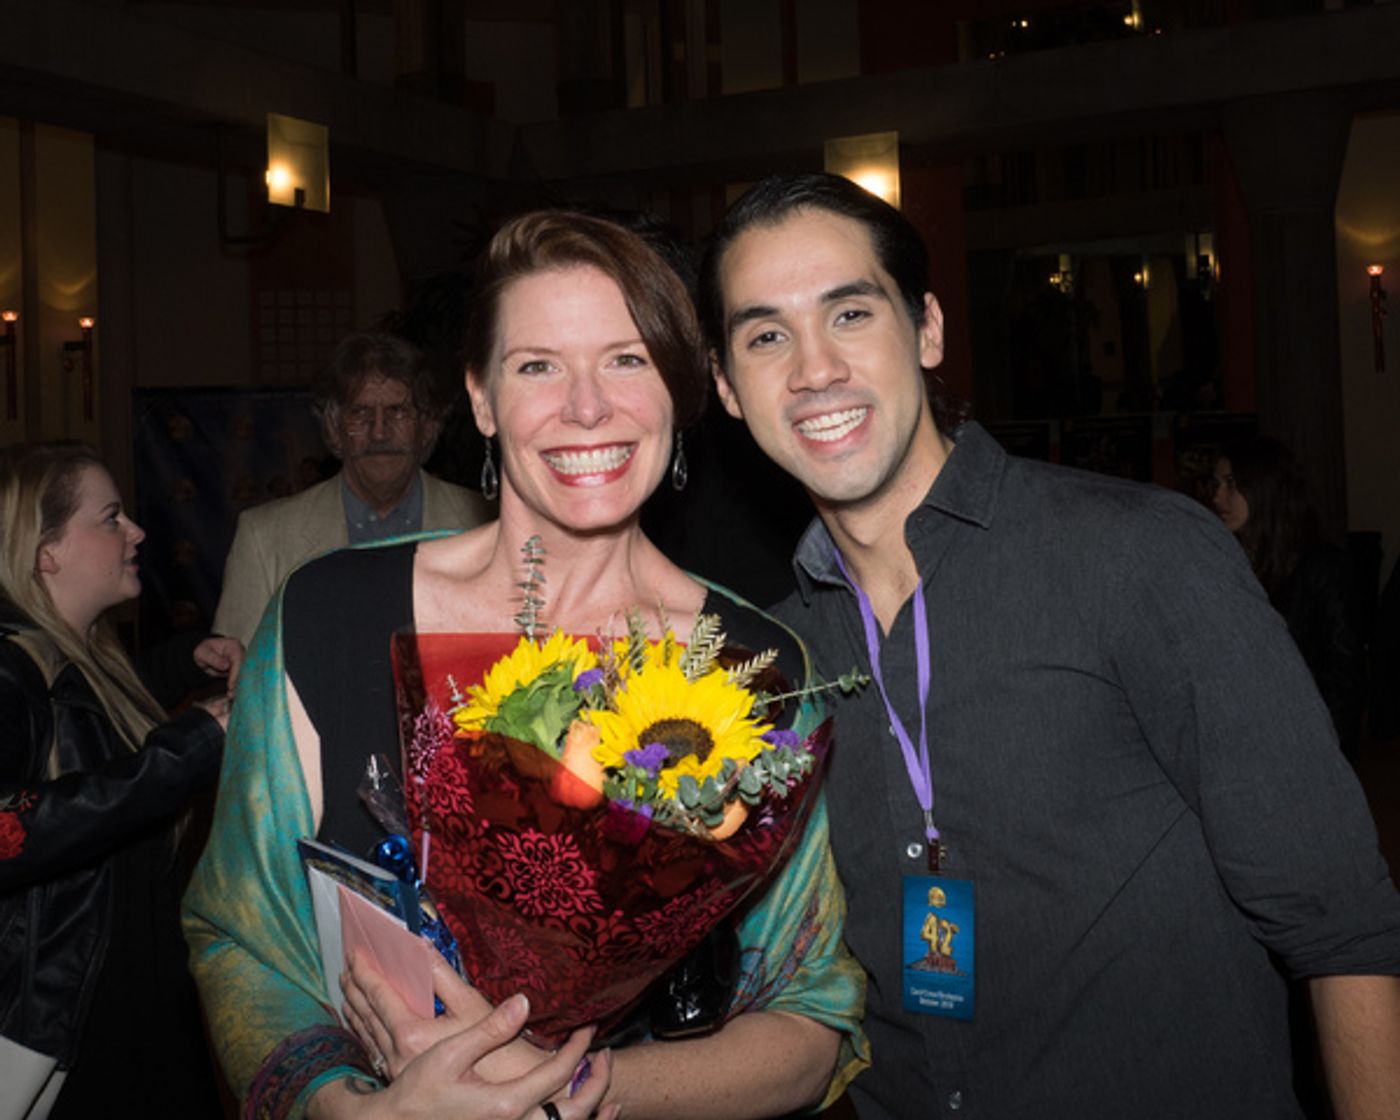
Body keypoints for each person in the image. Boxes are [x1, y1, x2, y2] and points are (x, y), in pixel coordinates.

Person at [697, 172, 1400, 1120]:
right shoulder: (771, 664)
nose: (813, 368)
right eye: (766, 336)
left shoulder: (1138, 557)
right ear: (726, 387)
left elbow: (1341, 923)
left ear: (928, 329)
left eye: (850, 313)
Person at [183, 211, 867, 1119]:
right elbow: (239, 937)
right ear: (479, 398)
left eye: (626, 360)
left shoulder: (754, 668)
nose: (586, 407)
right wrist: (351, 1109)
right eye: (537, 365)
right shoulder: (325, 619)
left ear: (680, 390)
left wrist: (574, 1090)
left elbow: (812, 1017)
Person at [0, 441, 234, 1118]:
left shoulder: (79, 649)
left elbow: (87, 725)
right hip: (80, 1029)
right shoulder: (9, 670)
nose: (135, 531)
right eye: (110, 518)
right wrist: (187, 750)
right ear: (47, 552)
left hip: (135, 1001)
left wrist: (184, 662)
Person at [212, 331, 491, 645]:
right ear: (334, 429)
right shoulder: (264, 538)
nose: (380, 432)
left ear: (426, 427)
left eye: (398, 411)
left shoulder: (487, 526)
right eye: (360, 413)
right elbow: (241, 666)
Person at [1212, 436, 1366, 758]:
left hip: (1303, 745)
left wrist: (1325, 755)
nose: (1217, 497)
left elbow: (1343, 678)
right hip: (1242, 742)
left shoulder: (1322, 567)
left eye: (1231, 484)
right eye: (1218, 484)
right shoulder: (1226, 564)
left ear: (1263, 487)